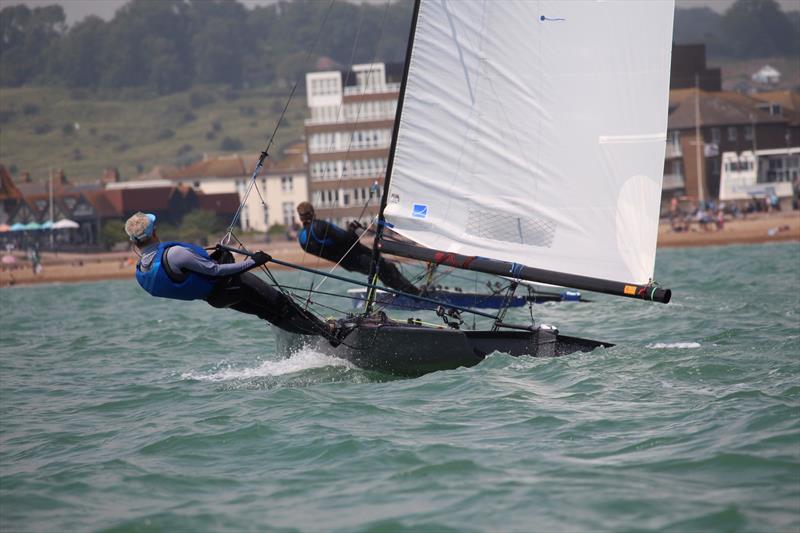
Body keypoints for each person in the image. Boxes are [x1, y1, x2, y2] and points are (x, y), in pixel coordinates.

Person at [125, 212, 338, 340]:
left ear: (135, 242)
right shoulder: (175, 254)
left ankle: (321, 333)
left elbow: (187, 275)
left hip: (217, 299)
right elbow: (214, 271)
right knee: (283, 305)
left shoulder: (142, 270)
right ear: (154, 232)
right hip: (233, 284)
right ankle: (331, 334)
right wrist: (253, 262)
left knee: (270, 314)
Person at [295, 202, 419, 295]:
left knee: (380, 272)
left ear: (300, 218)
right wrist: (352, 228)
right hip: (358, 255)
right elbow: (348, 239)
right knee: (386, 268)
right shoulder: (319, 226)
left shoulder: (302, 239)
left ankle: (403, 292)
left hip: (347, 264)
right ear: (312, 213)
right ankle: (414, 294)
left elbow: (330, 247)